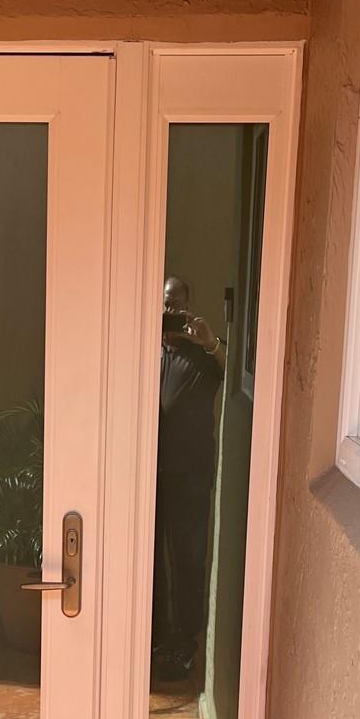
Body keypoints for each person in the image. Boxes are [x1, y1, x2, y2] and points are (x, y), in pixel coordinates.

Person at [153, 277, 225, 684]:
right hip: (151, 478)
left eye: (177, 304)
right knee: (150, 558)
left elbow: (231, 370)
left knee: (188, 559)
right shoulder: (147, 351)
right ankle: (155, 635)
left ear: (188, 307)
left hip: (191, 477)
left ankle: (185, 642)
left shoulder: (202, 357)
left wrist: (209, 341)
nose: (171, 311)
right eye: (165, 303)